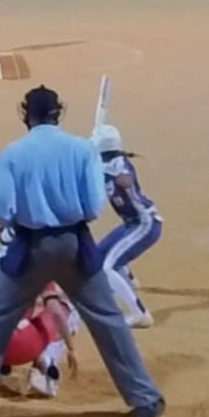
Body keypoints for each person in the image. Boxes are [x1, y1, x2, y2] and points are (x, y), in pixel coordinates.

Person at [0, 85, 164, 417]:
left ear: (24, 114)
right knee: (108, 320)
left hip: (30, 248)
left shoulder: (12, 154)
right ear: (59, 113)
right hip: (75, 244)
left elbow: (2, 209)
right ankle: (146, 400)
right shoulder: (82, 150)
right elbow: (93, 206)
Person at [0, 231, 79, 398]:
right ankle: (46, 366)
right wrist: (71, 349)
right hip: (25, 345)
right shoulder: (37, 265)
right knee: (67, 308)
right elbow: (55, 312)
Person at [90, 121, 160, 328]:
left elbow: (125, 180)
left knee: (107, 268)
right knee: (98, 254)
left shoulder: (117, 166)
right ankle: (129, 282)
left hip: (144, 225)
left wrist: (105, 173)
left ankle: (140, 314)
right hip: (131, 224)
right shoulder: (104, 165)